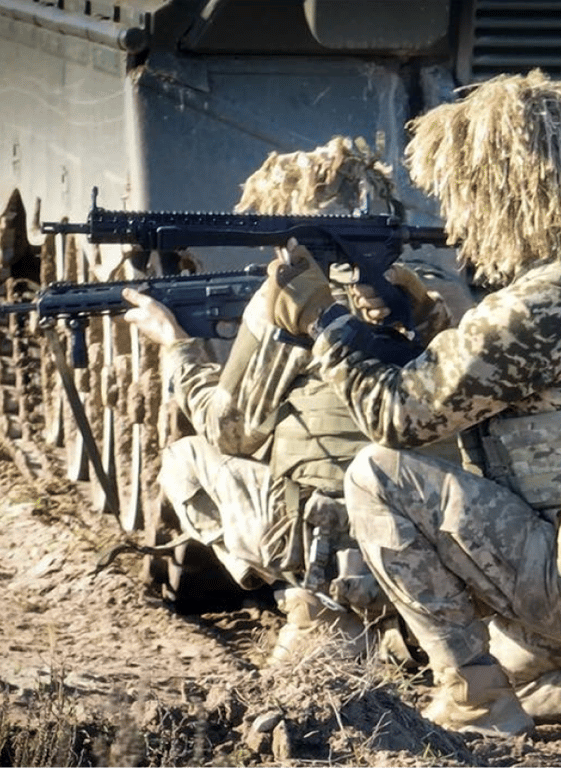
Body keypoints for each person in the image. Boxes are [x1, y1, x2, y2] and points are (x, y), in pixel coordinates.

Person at [261, 69, 561, 737]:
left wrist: (325, 324)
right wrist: (429, 325)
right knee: (509, 662)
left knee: (376, 476)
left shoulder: (537, 304)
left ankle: (477, 700)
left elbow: (399, 420)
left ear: (509, 194)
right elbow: (525, 397)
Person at [123, 136, 468, 665]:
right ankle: (397, 620)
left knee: (183, 461)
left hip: (330, 532)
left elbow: (232, 428)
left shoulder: (290, 299)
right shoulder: (434, 291)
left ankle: (309, 601)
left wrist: (176, 346)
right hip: (440, 533)